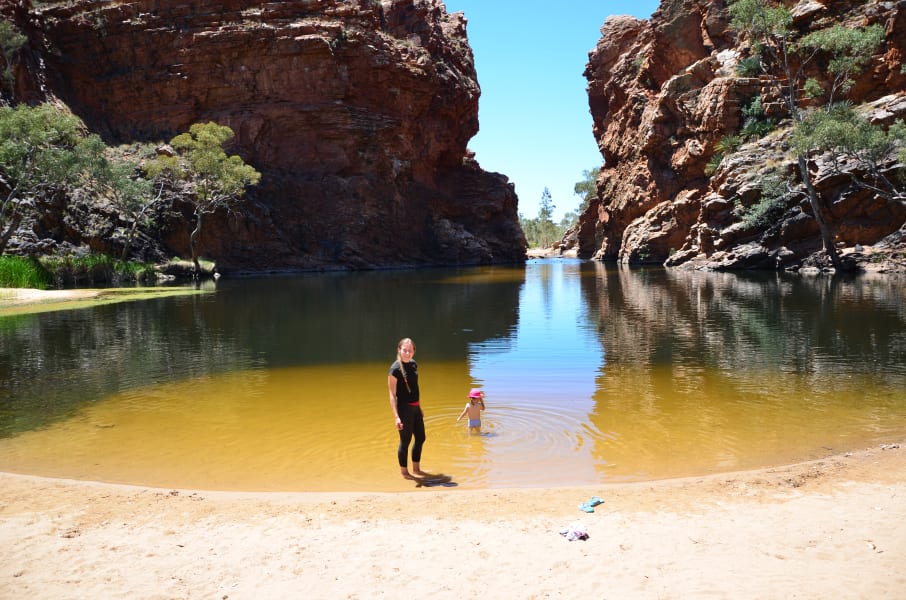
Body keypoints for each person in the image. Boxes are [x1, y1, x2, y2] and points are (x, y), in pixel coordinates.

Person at [388, 337, 428, 480]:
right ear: (399, 350)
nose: (407, 353)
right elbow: (392, 395)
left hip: (415, 407)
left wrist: (420, 407)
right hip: (404, 409)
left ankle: (416, 469)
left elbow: (415, 388)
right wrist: (396, 416)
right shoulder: (394, 369)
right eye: (404, 350)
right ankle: (404, 473)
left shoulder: (413, 364)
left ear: (413, 352)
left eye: (410, 351)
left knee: (421, 438)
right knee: (405, 441)